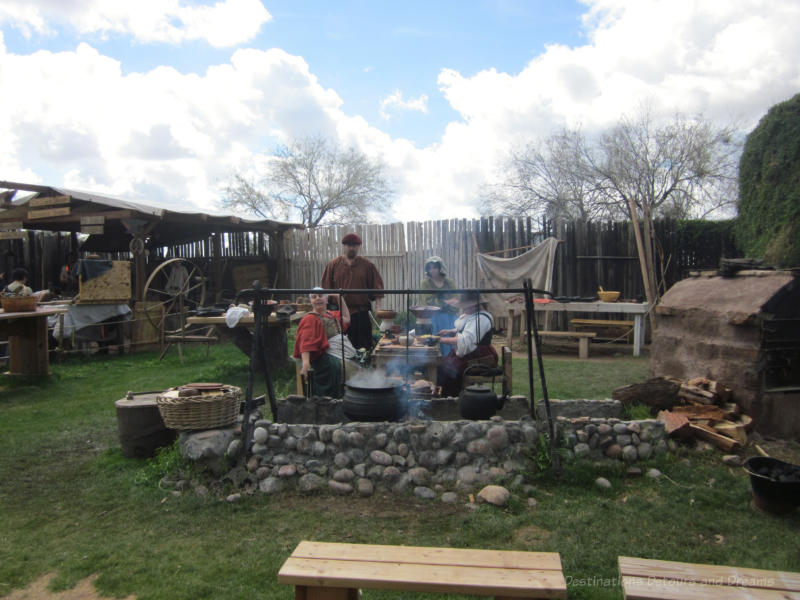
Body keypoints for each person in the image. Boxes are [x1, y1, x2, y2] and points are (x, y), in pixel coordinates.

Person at [321, 233, 384, 351]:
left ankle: (363, 367)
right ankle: (343, 368)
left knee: (363, 346)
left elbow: (377, 287)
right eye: (349, 245)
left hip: (360, 312)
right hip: (339, 313)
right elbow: (326, 289)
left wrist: (379, 308)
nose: (352, 248)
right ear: (344, 246)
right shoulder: (333, 265)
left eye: (355, 245)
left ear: (359, 247)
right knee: (341, 347)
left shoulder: (367, 265)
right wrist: (325, 310)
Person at [436, 291, 498, 398]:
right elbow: (466, 329)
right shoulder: (474, 315)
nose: (463, 310)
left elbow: (466, 339)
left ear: (474, 306)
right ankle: (446, 395)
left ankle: (452, 398)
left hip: (481, 355)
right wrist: (450, 331)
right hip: (472, 352)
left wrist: (440, 339)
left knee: (448, 369)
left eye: (465, 307)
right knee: (441, 364)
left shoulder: (481, 319)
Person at [293, 287, 351, 397]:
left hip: (339, 353)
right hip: (324, 357)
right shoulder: (310, 319)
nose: (317, 299)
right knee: (338, 369)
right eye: (314, 297)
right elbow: (306, 342)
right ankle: (330, 401)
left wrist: (339, 297)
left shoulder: (331, 314)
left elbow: (347, 318)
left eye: (320, 296)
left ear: (326, 299)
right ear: (311, 301)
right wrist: (305, 364)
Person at [420, 255, 459, 355]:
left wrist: (443, 302)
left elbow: (456, 300)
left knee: (451, 342)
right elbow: (429, 302)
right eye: (430, 267)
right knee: (434, 341)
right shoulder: (426, 283)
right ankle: (435, 366)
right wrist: (447, 302)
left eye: (435, 267)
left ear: (440, 267)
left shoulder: (449, 282)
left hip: (450, 317)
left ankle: (450, 364)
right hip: (433, 318)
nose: (432, 270)